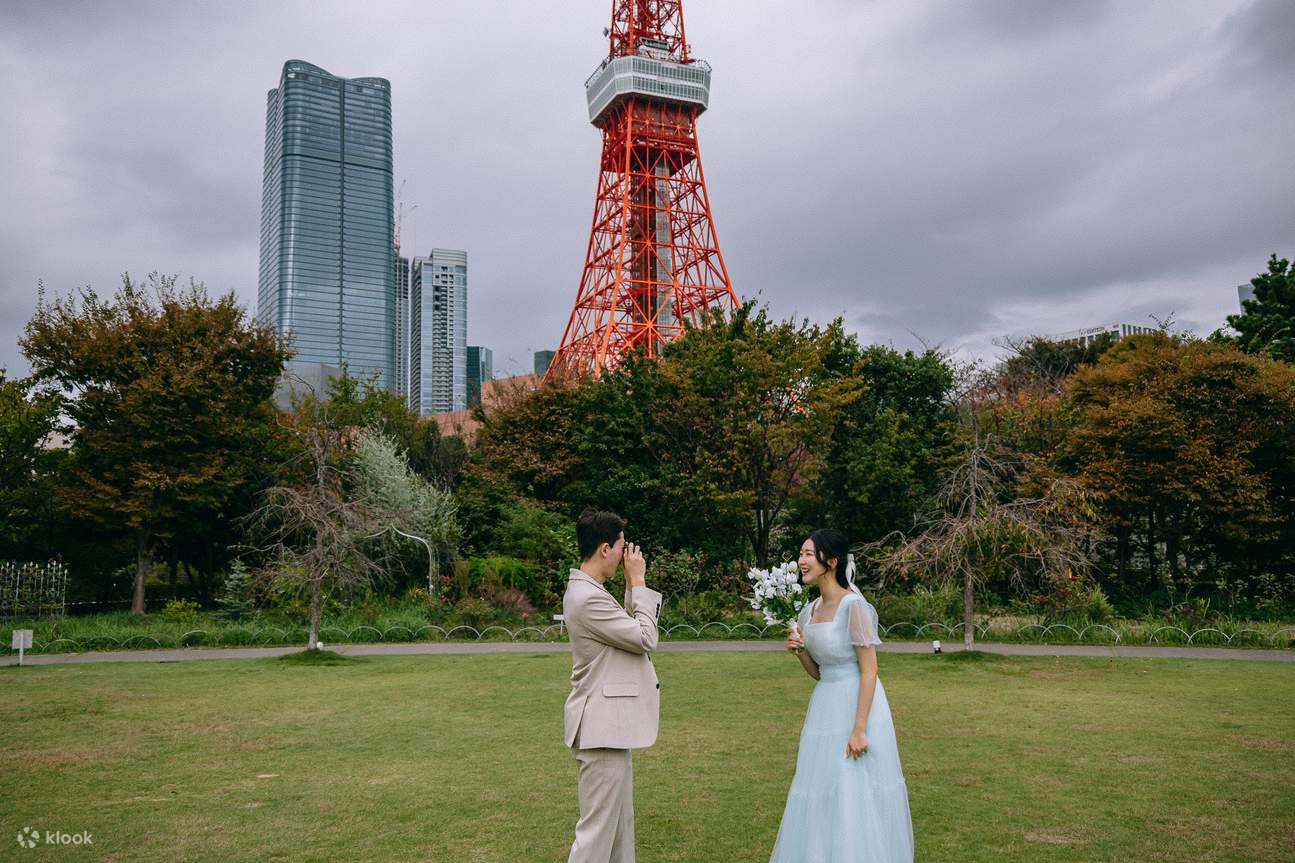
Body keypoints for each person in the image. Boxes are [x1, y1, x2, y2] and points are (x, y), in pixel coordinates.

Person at [770, 528, 914, 862]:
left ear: (830, 561)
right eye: (801, 554)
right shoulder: (810, 611)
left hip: (858, 706)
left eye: (809, 554)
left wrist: (860, 728)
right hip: (824, 706)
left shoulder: (854, 607)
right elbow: (819, 672)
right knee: (821, 790)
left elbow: (869, 670)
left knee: (853, 790)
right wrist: (801, 652)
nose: (801, 561)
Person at [563, 510, 663, 863]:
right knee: (596, 836)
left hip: (609, 729)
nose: (627, 556)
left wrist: (631, 587)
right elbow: (645, 637)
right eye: (622, 547)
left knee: (620, 830)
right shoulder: (587, 597)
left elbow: (625, 630)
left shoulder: (592, 593)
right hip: (599, 730)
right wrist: (638, 583)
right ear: (605, 548)